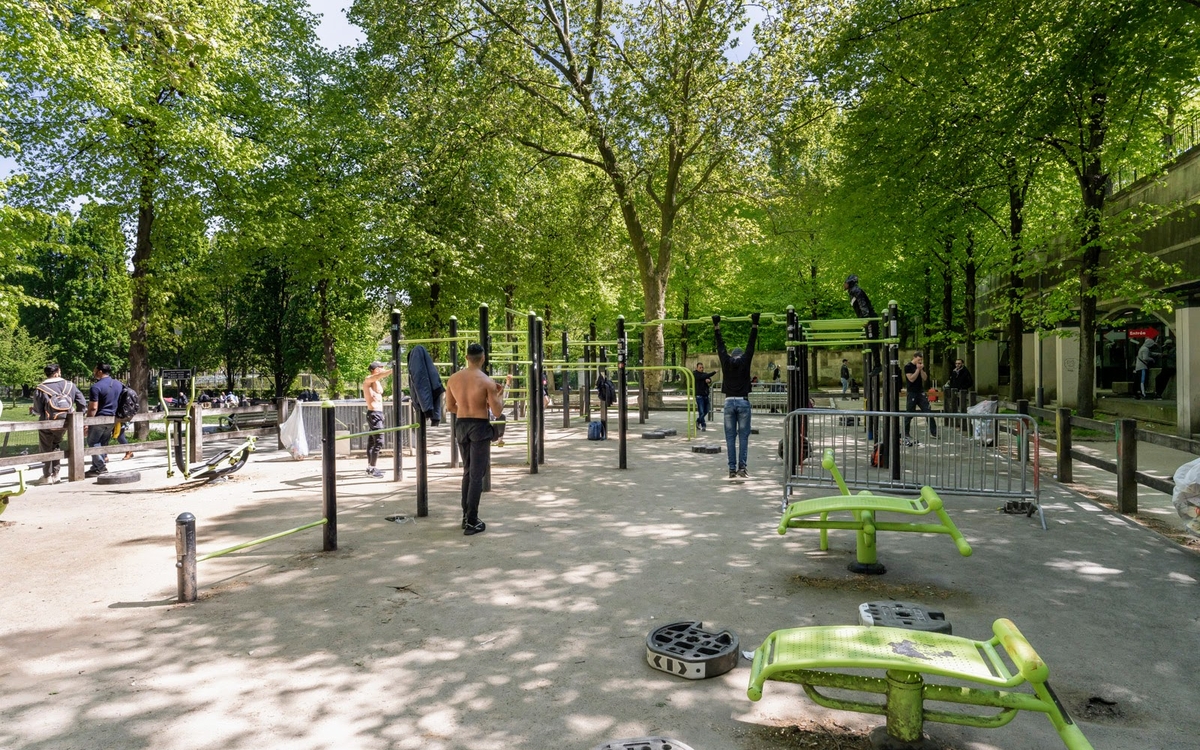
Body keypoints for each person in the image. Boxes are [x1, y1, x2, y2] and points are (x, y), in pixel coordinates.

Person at [445, 343, 508, 536]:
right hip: (479, 426)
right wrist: (499, 395)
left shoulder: (453, 379)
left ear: (466, 357)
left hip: (461, 425)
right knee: (476, 475)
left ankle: (466, 515)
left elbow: (450, 407)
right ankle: (472, 520)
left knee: (467, 471)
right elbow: (497, 412)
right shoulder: (487, 381)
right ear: (483, 358)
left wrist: (466, 410)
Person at [714, 313, 759, 478]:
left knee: (730, 438)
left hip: (728, 403)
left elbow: (720, 346)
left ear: (732, 355)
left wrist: (716, 326)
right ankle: (742, 468)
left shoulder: (726, 361)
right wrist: (755, 324)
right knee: (744, 437)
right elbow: (751, 345)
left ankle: (732, 469)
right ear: (741, 356)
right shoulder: (745, 361)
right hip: (743, 402)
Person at [32, 364, 86, 484]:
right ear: (57, 372)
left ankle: (47, 475)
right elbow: (82, 403)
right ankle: (56, 474)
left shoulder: (40, 388)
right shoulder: (70, 386)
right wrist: (78, 417)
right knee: (56, 445)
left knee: (46, 448)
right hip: (65, 422)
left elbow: (37, 410)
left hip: (47, 423)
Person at [86, 363, 125, 477]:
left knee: (92, 443)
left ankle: (101, 467)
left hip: (99, 419)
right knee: (102, 443)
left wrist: (87, 422)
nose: (94, 373)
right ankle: (95, 468)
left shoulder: (96, 387)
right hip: (113, 418)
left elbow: (93, 407)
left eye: (95, 370)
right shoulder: (118, 384)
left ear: (100, 371)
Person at [362, 361, 393, 478]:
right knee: (379, 441)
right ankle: (372, 469)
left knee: (372, 442)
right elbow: (379, 375)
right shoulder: (369, 379)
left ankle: (370, 467)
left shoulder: (376, 381)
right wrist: (392, 370)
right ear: (375, 369)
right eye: (380, 367)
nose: (382, 369)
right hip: (374, 414)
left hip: (377, 414)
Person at [844, 275, 881, 374]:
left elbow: (862, 304)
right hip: (867, 319)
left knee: (872, 341)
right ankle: (877, 365)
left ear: (850, 282)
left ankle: (878, 365)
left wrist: (866, 319)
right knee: (871, 341)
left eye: (846, 282)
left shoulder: (856, 291)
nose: (844, 284)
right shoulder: (852, 292)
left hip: (869, 318)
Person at [903, 351, 938, 445]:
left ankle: (934, 432)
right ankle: (906, 432)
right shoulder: (908, 367)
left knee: (928, 411)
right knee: (909, 412)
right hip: (912, 392)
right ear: (914, 357)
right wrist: (917, 370)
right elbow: (911, 379)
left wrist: (921, 369)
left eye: (921, 360)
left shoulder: (921, 366)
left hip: (920, 392)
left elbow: (925, 378)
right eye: (919, 359)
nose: (920, 361)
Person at [691, 362, 716, 432]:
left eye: (702, 367)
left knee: (706, 410)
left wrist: (709, 381)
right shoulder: (695, 374)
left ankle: (698, 421)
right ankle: (703, 425)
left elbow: (709, 378)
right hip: (699, 396)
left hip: (705, 395)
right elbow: (701, 377)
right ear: (697, 368)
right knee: (701, 412)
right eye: (700, 367)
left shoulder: (705, 374)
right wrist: (713, 372)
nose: (702, 369)